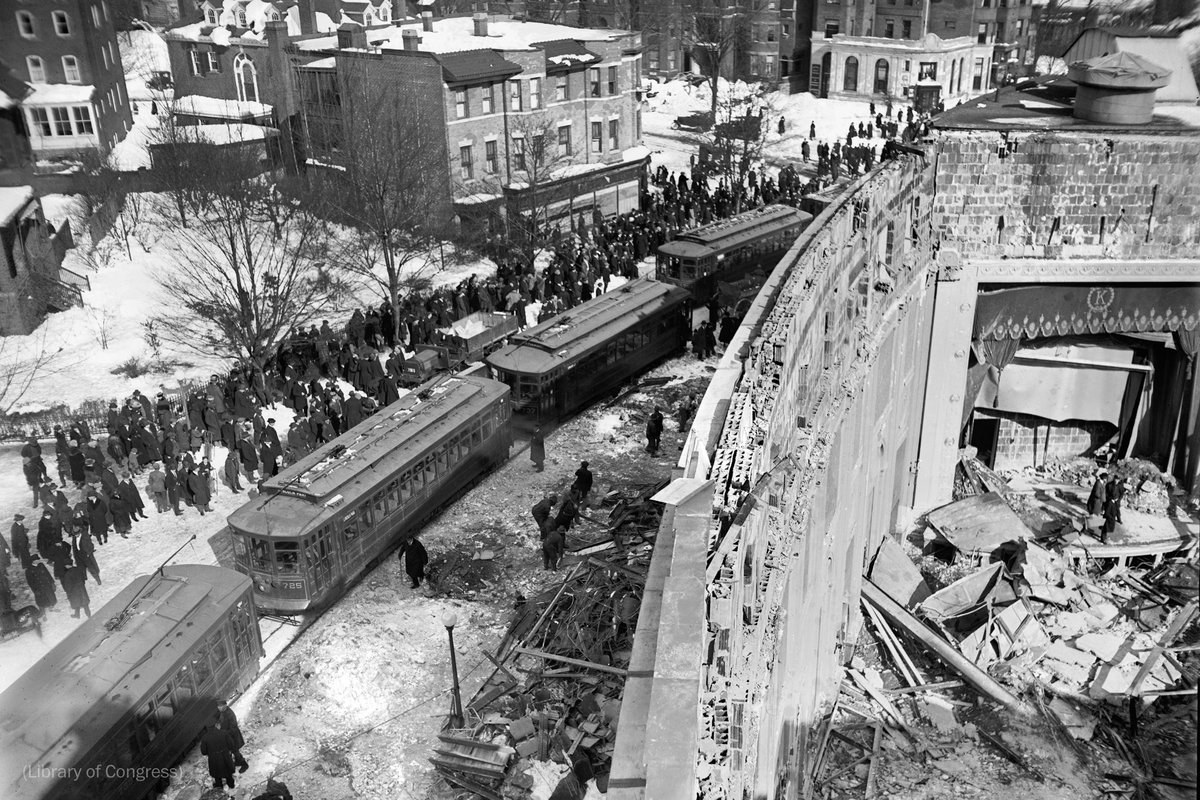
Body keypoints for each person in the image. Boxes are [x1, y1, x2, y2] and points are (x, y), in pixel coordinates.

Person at [200, 715, 238, 790]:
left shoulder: (205, 738)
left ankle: (219, 786)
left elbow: (203, 752)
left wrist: (210, 752)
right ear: (216, 725)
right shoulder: (224, 733)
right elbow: (231, 745)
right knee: (228, 772)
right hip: (225, 756)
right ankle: (231, 784)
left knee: (217, 775)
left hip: (213, 759)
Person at [217, 699, 249, 773]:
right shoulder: (223, 713)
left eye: (221, 706)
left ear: (225, 705)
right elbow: (222, 721)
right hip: (228, 737)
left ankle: (244, 764)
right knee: (233, 751)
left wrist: (223, 732)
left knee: (235, 751)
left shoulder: (230, 714)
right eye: (218, 706)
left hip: (233, 737)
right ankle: (238, 762)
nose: (219, 708)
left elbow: (233, 727)